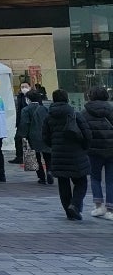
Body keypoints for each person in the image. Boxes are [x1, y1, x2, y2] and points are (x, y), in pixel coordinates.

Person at [43, 89, 92, 221]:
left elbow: (45, 137)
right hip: (76, 153)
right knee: (81, 181)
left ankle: (68, 212)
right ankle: (75, 205)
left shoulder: (49, 117)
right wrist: (85, 147)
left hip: (58, 154)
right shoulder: (74, 114)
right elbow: (87, 134)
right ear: (66, 99)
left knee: (63, 183)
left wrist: (54, 145)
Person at [81, 87, 113, 220]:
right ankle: (110, 209)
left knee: (95, 178)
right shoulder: (111, 109)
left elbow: (83, 131)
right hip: (111, 149)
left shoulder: (85, 112)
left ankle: (99, 206)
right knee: (111, 180)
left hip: (93, 150)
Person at [18, 89, 53, 184]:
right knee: (47, 156)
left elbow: (25, 124)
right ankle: (49, 171)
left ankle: (41, 177)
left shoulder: (26, 110)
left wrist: (23, 135)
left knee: (36, 158)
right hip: (45, 134)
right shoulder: (44, 108)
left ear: (28, 99)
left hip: (32, 136)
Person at [10, 82, 33, 164]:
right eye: (22, 87)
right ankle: (19, 157)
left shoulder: (33, 96)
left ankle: (31, 158)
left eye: (25, 86)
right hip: (21, 121)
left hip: (31, 121)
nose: (24, 88)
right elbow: (19, 109)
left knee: (30, 140)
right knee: (18, 139)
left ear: (30, 87)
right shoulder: (20, 96)